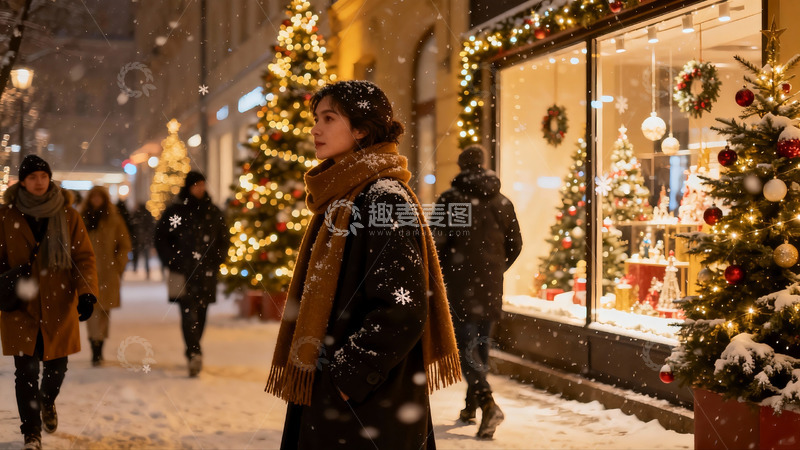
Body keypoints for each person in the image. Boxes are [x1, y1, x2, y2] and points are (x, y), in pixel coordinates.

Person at [267, 80, 461, 450]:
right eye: (315, 118)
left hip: (367, 406)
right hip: (341, 396)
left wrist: (346, 378)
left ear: (361, 128)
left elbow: (403, 307)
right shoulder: (342, 193)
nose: (316, 128)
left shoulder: (382, 197)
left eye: (329, 118)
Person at [0, 155, 98, 450]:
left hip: (59, 303)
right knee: (26, 371)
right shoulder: (6, 216)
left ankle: (46, 402)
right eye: (32, 177)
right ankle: (31, 433)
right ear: (23, 182)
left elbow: (84, 258)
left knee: (57, 368)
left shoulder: (68, 215)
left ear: (50, 178)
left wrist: (87, 293)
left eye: (43, 176)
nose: (39, 182)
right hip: (22, 304)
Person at [434, 144, 522, 440]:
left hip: (460, 287)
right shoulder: (503, 201)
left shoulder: (452, 200)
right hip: (490, 287)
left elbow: (438, 245)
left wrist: (446, 274)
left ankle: (487, 403)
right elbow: (515, 245)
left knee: (466, 348)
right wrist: (495, 270)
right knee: (479, 345)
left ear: (461, 166)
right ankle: (470, 408)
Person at [154, 171, 228, 377]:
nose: (200, 188)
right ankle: (194, 351)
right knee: (188, 312)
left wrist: (216, 259)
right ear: (188, 186)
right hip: (182, 271)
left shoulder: (212, 211)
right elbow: (161, 238)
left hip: (206, 270)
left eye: (202, 184)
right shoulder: (176, 212)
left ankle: (194, 349)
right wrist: (172, 260)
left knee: (202, 313)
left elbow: (223, 238)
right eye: (196, 184)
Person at [80, 186, 131, 366]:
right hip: (87, 272)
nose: (95, 200)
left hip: (108, 273)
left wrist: (118, 265)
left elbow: (124, 244)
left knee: (103, 312)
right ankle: (94, 346)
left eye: (98, 197)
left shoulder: (114, 219)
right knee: (91, 310)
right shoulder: (82, 219)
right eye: (93, 196)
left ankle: (99, 345)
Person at [130, 203, 156, 278]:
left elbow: (132, 226)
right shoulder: (147, 214)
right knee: (145, 256)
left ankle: (135, 268)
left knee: (137, 255)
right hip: (145, 239)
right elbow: (151, 227)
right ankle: (146, 270)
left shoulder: (136, 214)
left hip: (138, 239)